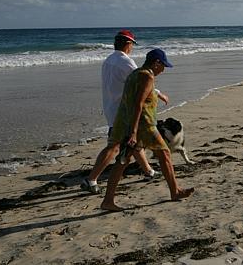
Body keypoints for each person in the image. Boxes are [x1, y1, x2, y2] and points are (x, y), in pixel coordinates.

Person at [101, 48, 194, 211]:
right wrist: (134, 131)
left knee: (123, 161)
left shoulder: (134, 74)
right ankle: (175, 191)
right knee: (164, 154)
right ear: (156, 63)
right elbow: (139, 104)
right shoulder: (147, 76)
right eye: (163, 65)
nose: (163, 70)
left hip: (126, 123)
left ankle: (108, 200)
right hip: (143, 126)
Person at [81, 30, 169, 194]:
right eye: (132, 45)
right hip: (122, 110)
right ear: (128, 44)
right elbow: (141, 80)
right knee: (114, 146)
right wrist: (158, 93)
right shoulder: (125, 62)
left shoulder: (108, 60)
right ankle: (91, 179)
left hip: (110, 106)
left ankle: (149, 171)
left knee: (133, 143)